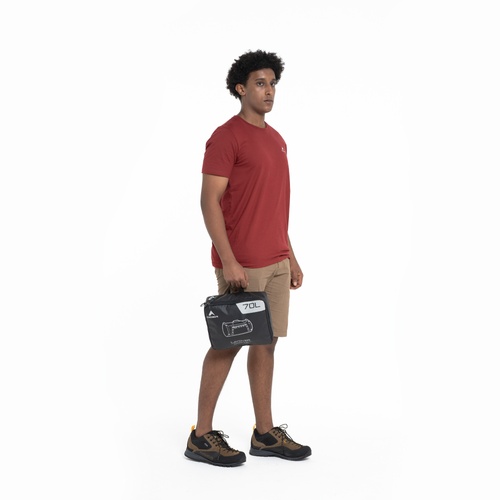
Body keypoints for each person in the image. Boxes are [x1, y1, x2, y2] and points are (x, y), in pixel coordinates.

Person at [184, 50, 311, 467]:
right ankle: (200, 436)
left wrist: (291, 257)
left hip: (276, 260)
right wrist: (229, 259)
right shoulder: (226, 137)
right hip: (243, 263)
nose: (269, 90)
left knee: (266, 343)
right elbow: (209, 201)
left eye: (273, 83)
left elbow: (273, 206)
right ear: (240, 89)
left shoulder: (276, 139)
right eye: (260, 83)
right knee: (228, 343)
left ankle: (265, 433)